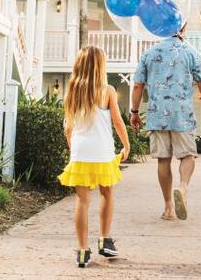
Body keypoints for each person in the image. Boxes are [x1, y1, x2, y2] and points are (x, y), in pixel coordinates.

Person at [130, 22, 201, 221]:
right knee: (188, 155)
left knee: (163, 159)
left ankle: (168, 207)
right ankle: (183, 188)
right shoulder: (190, 52)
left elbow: (137, 86)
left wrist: (134, 111)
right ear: (183, 29)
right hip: (182, 115)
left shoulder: (149, 53)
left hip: (156, 114)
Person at [57, 46, 131, 269]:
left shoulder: (72, 91)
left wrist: (73, 150)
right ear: (100, 66)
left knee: (82, 201)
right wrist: (126, 145)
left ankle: (82, 251)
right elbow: (118, 122)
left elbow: (68, 127)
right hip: (103, 152)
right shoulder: (106, 90)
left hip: (81, 152)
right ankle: (105, 239)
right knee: (107, 194)